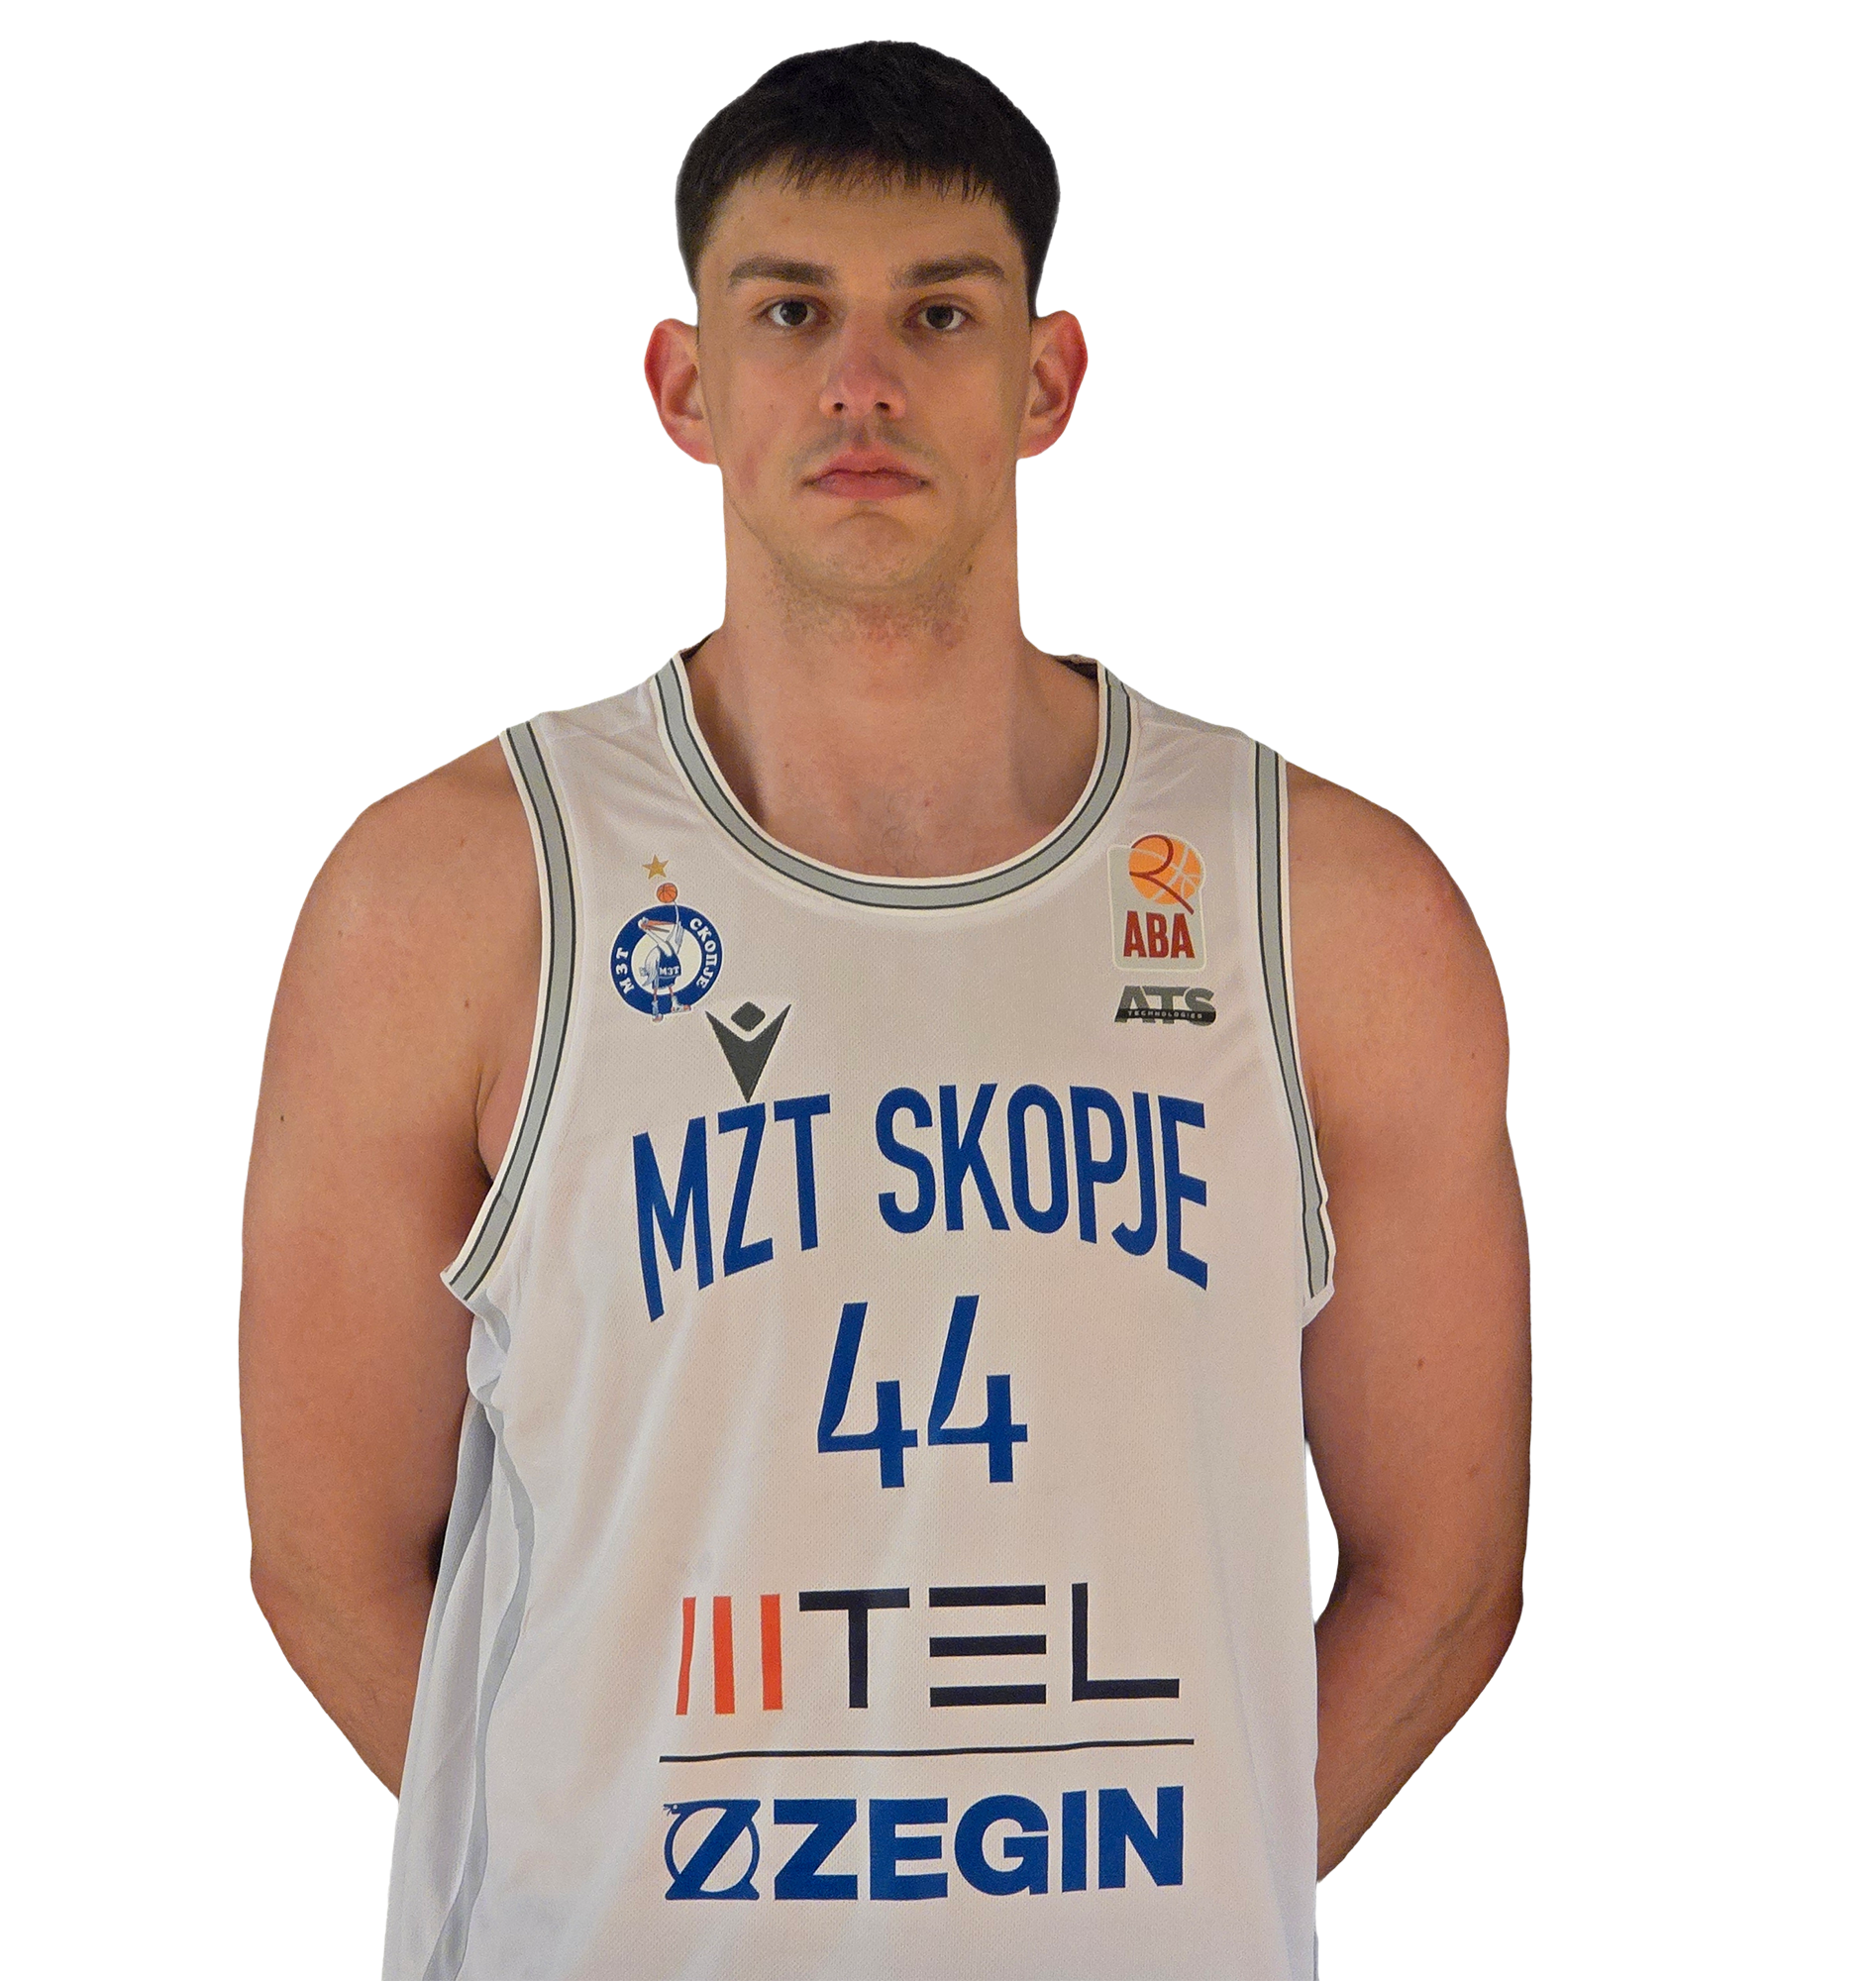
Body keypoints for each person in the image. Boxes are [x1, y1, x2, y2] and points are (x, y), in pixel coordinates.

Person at [240, 41, 1529, 1981]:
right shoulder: (448, 897)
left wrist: (1162, 1915)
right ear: (686, 384)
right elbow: (330, 1560)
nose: (862, 381)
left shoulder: (1330, 908)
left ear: (1046, 380)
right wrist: (592, 1891)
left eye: (939, 313)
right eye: (791, 313)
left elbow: (1446, 1577)